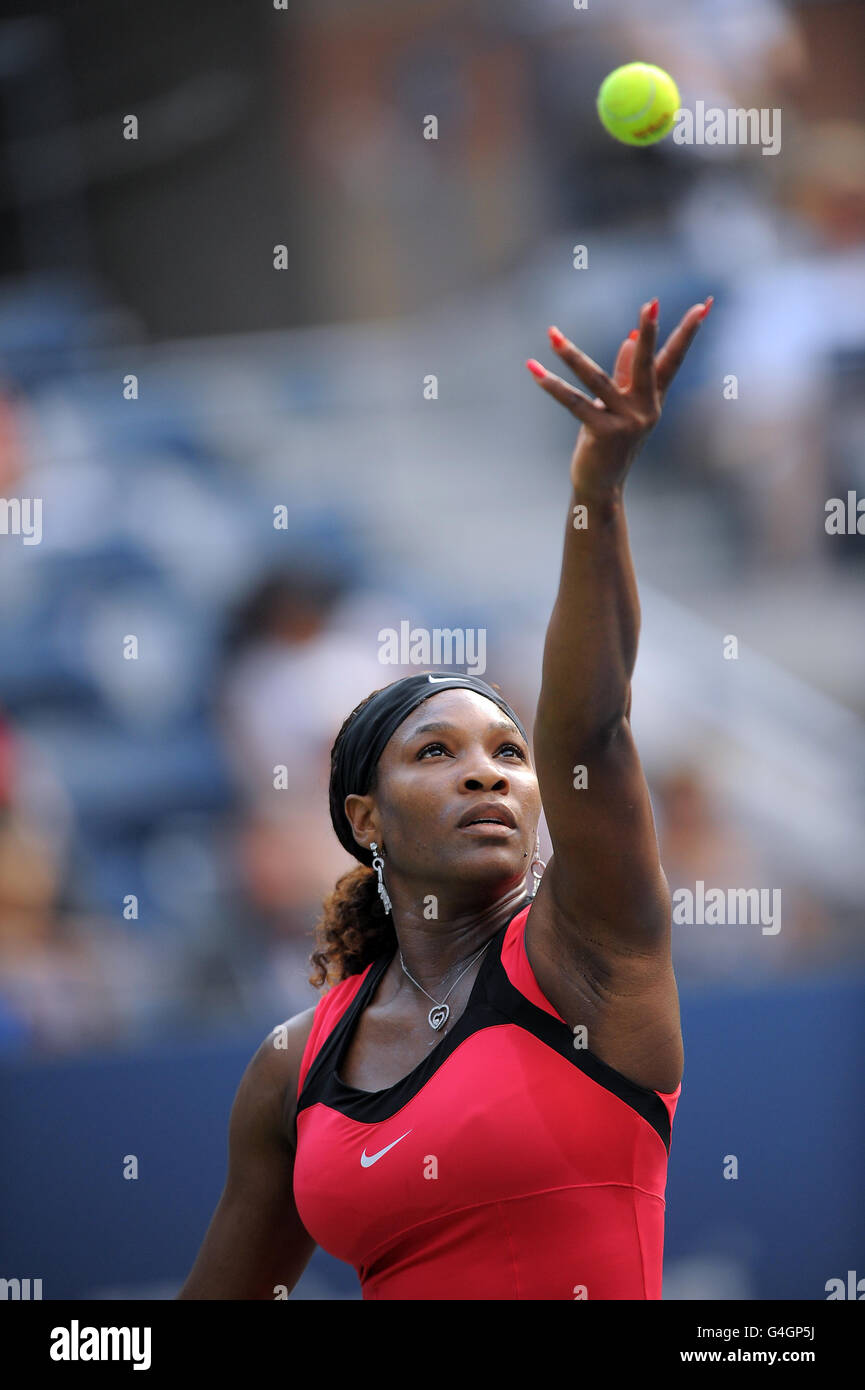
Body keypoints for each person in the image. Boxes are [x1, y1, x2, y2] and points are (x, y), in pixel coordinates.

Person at [178, 294, 711, 1301]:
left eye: (508, 753)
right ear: (365, 819)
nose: (488, 772)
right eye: (436, 751)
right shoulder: (290, 1068)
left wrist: (596, 482)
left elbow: (590, 730)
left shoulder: (585, 951)